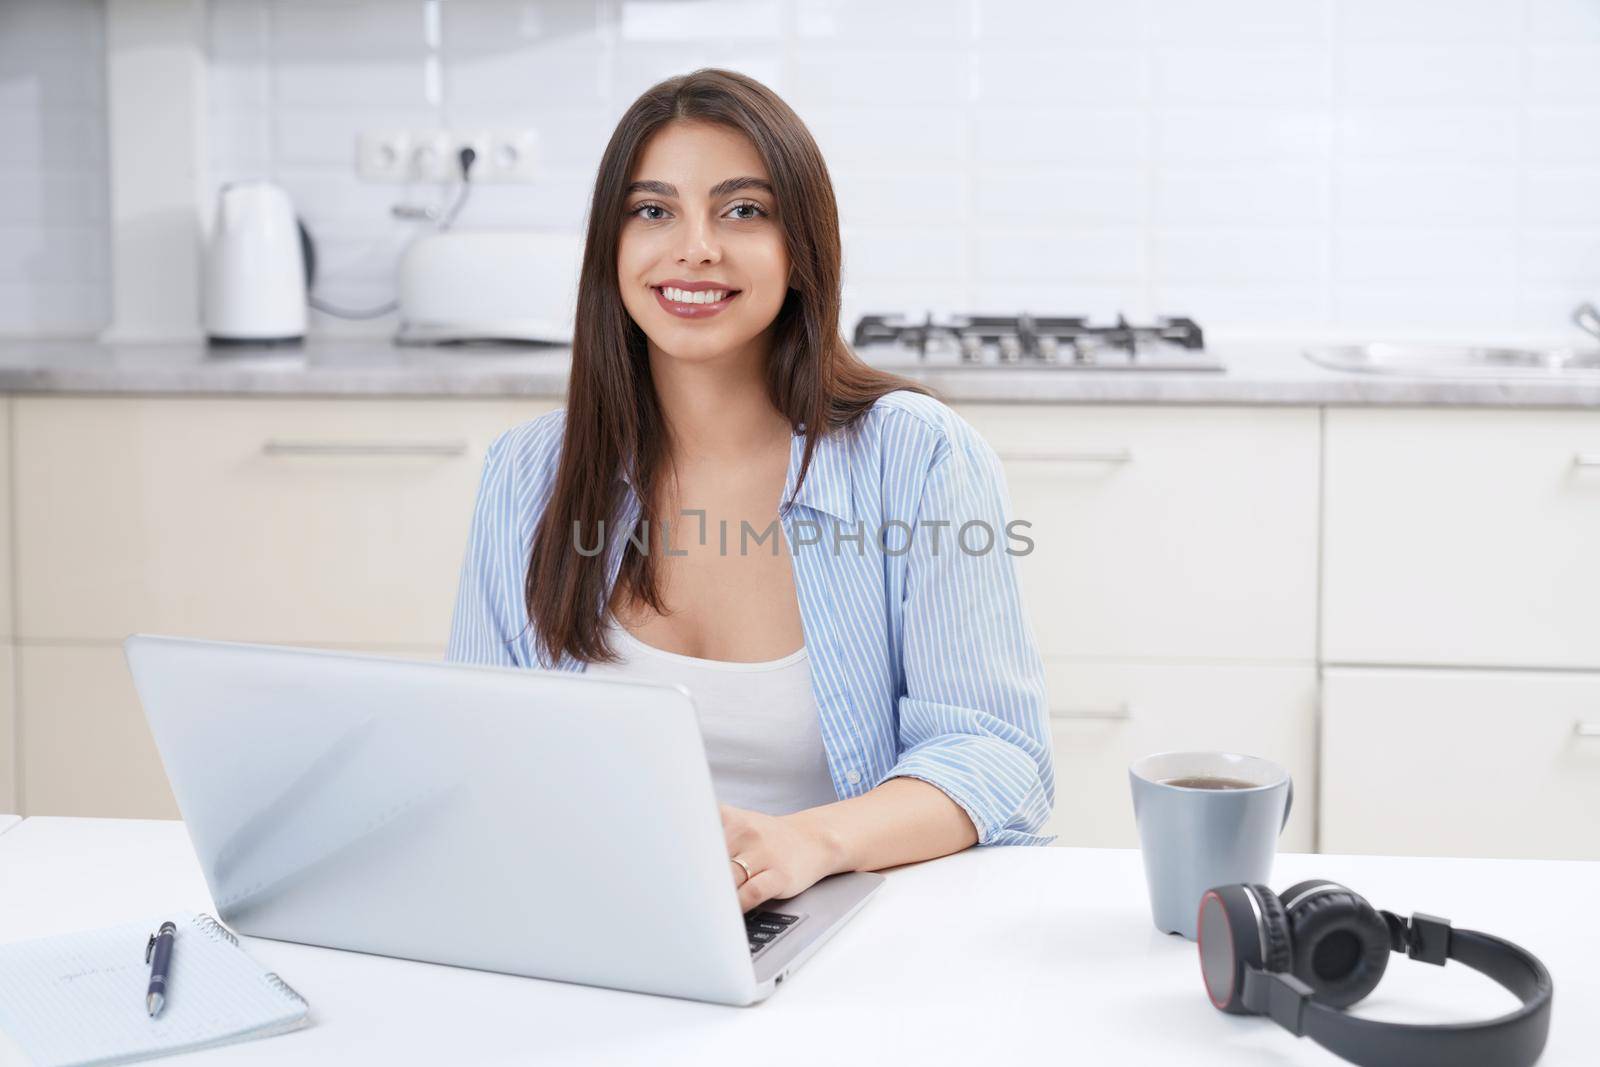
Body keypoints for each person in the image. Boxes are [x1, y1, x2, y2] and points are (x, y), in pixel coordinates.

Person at [447, 68, 1054, 914]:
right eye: (652, 210)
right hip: (590, 923)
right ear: (611, 250)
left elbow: (993, 755)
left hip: (850, 926)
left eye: (742, 210)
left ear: (800, 248)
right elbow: (475, 757)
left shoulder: (918, 458)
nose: (695, 246)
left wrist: (811, 840)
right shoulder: (527, 475)